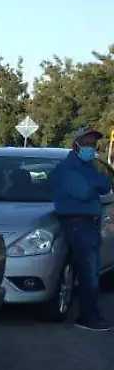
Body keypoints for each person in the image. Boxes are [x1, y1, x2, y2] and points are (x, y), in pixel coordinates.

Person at [51, 126, 112, 332]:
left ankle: (89, 314)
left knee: (90, 271)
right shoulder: (68, 168)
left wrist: (94, 182)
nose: (91, 148)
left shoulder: (88, 167)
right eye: (86, 143)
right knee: (89, 272)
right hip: (77, 223)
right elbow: (84, 192)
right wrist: (95, 183)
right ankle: (89, 317)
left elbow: (105, 185)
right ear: (75, 144)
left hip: (88, 223)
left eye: (93, 144)